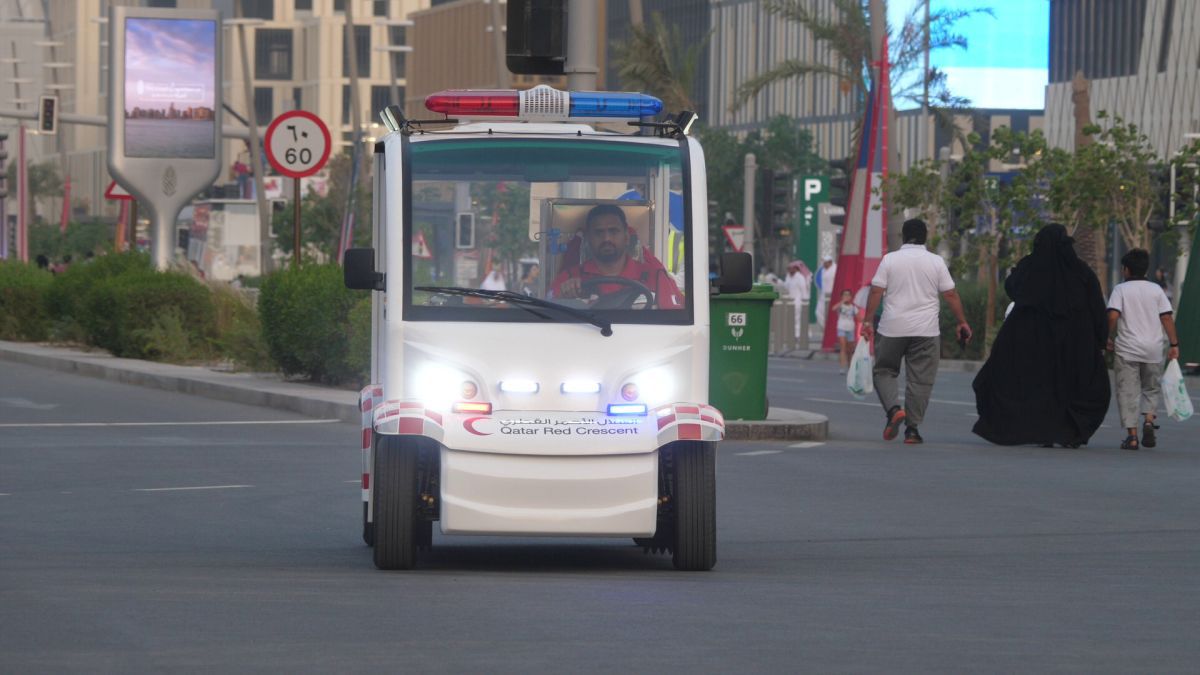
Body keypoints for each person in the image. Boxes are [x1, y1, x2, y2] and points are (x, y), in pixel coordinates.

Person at [972, 224, 1110, 447]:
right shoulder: (1081, 271)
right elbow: (1096, 306)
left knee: (1037, 386)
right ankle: (1068, 433)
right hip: (1073, 342)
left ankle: (1040, 431)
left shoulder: (1030, 268)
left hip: (1032, 340)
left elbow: (1012, 287)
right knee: (1071, 386)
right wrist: (1101, 339)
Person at [861, 219, 971, 444]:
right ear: (925, 237)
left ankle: (893, 410)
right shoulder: (936, 262)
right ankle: (912, 430)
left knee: (884, 371)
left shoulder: (889, 260)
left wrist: (867, 322)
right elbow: (950, 294)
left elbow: (876, 291)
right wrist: (962, 322)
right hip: (926, 331)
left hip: (892, 328)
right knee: (920, 380)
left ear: (903, 237)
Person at [1106, 249, 1180, 450]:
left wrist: (1106, 337)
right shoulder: (1156, 290)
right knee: (1151, 388)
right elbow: (1166, 317)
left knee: (1128, 391)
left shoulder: (1121, 290)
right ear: (1146, 269)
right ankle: (1148, 420)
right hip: (1153, 349)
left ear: (1126, 270)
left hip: (1127, 349)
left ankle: (1132, 437)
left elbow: (1113, 315)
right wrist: (1174, 344)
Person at [549, 204, 683, 309]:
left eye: (613, 231)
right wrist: (562, 297)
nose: (606, 238)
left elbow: (677, 325)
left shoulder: (655, 277)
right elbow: (546, 318)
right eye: (599, 232)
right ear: (589, 238)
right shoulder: (569, 278)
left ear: (626, 237)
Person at [784, 261, 812, 341]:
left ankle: (798, 335)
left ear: (795, 269)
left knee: (798, 319)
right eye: (788, 269)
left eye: (791, 268)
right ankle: (794, 335)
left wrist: (805, 302)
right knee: (792, 319)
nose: (789, 270)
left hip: (798, 302)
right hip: (790, 301)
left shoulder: (800, 277)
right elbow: (786, 287)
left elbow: (804, 290)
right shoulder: (788, 277)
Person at [835, 289, 858, 373]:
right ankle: (842, 367)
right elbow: (834, 308)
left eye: (848, 295)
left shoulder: (853, 307)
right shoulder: (840, 306)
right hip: (841, 328)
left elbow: (859, 317)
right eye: (845, 295)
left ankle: (850, 366)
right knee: (843, 347)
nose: (846, 297)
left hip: (850, 329)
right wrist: (842, 301)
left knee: (849, 350)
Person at [814, 255, 837, 328]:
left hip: (832, 295)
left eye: (825, 262)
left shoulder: (835, 269)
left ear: (830, 262)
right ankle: (825, 328)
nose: (823, 263)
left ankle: (831, 329)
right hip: (823, 295)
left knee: (831, 314)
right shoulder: (823, 270)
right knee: (818, 312)